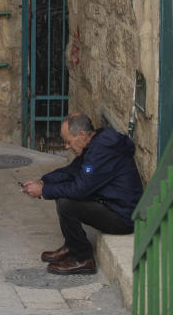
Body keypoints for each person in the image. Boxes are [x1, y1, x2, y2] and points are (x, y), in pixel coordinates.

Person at [21, 112, 144, 275]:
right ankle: (72, 245)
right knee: (64, 193)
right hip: (109, 203)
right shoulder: (94, 144)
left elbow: (81, 189)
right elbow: (73, 170)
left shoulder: (101, 151)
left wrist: (43, 191)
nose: (66, 146)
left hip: (123, 216)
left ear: (81, 135)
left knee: (66, 203)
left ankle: (83, 258)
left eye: (68, 142)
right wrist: (44, 182)